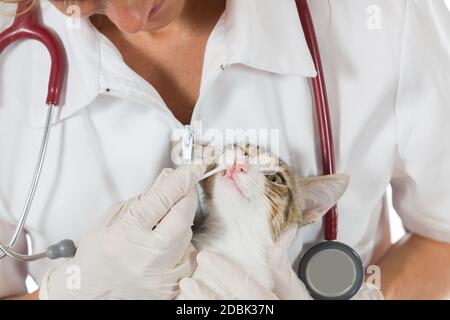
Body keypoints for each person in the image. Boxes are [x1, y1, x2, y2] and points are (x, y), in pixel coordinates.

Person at [0, 0, 449, 300]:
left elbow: (442, 236)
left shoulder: (384, 13)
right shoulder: (9, 65)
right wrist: (73, 293)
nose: (132, 13)